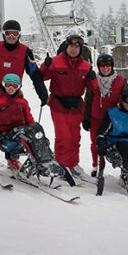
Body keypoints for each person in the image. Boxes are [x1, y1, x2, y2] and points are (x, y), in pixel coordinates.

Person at [0, 20, 48, 168]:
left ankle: (12, 157)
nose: (12, 36)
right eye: (9, 33)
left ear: (19, 35)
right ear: (4, 34)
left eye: (15, 33)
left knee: (15, 124)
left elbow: (34, 73)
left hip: (14, 91)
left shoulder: (25, 51)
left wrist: (42, 93)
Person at [0, 73, 66, 178]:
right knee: (27, 137)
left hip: (19, 133)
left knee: (36, 131)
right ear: (3, 85)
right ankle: (19, 160)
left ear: (19, 87)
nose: (11, 89)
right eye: (8, 85)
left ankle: (46, 162)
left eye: (14, 86)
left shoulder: (22, 102)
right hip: (5, 138)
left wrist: (40, 137)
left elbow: (29, 120)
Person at [40, 34, 97, 179]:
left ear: (80, 49)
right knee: (63, 137)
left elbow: (93, 88)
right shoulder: (56, 61)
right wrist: (45, 65)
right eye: (71, 46)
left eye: (77, 47)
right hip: (59, 104)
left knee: (74, 138)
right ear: (66, 47)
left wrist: (92, 78)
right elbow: (42, 76)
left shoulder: (85, 65)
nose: (73, 50)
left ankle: (73, 164)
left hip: (76, 105)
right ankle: (62, 165)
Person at [83, 54, 127, 176]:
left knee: (120, 144)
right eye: (102, 66)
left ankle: (124, 167)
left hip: (114, 119)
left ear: (112, 66)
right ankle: (97, 165)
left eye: (108, 65)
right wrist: (85, 118)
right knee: (96, 143)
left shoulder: (120, 81)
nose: (105, 68)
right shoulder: (93, 81)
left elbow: (127, 100)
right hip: (96, 118)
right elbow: (88, 100)